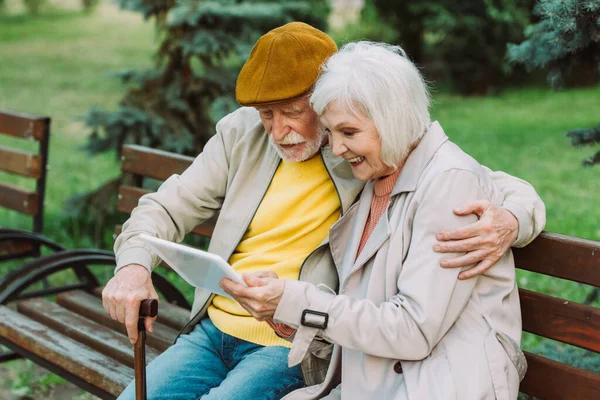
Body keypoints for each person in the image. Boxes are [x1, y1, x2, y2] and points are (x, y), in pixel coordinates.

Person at [104, 24, 545, 400]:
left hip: (294, 342)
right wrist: (133, 266)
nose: (279, 130)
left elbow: (487, 181)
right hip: (214, 328)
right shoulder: (241, 134)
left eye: (293, 112)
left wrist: (514, 220)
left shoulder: (366, 145)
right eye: (265, 114)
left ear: (327, 100)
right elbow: (165, 206)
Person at [221, 41, 535, 399]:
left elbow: (412, 330)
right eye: (331, 132)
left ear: (394, 120)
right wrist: (288, 312)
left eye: (349, 133)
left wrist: (299, 300)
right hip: (379, 380)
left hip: (437, 386)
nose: (336, 149)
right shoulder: (377, 178)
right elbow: (368, 312)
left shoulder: (449, 182)